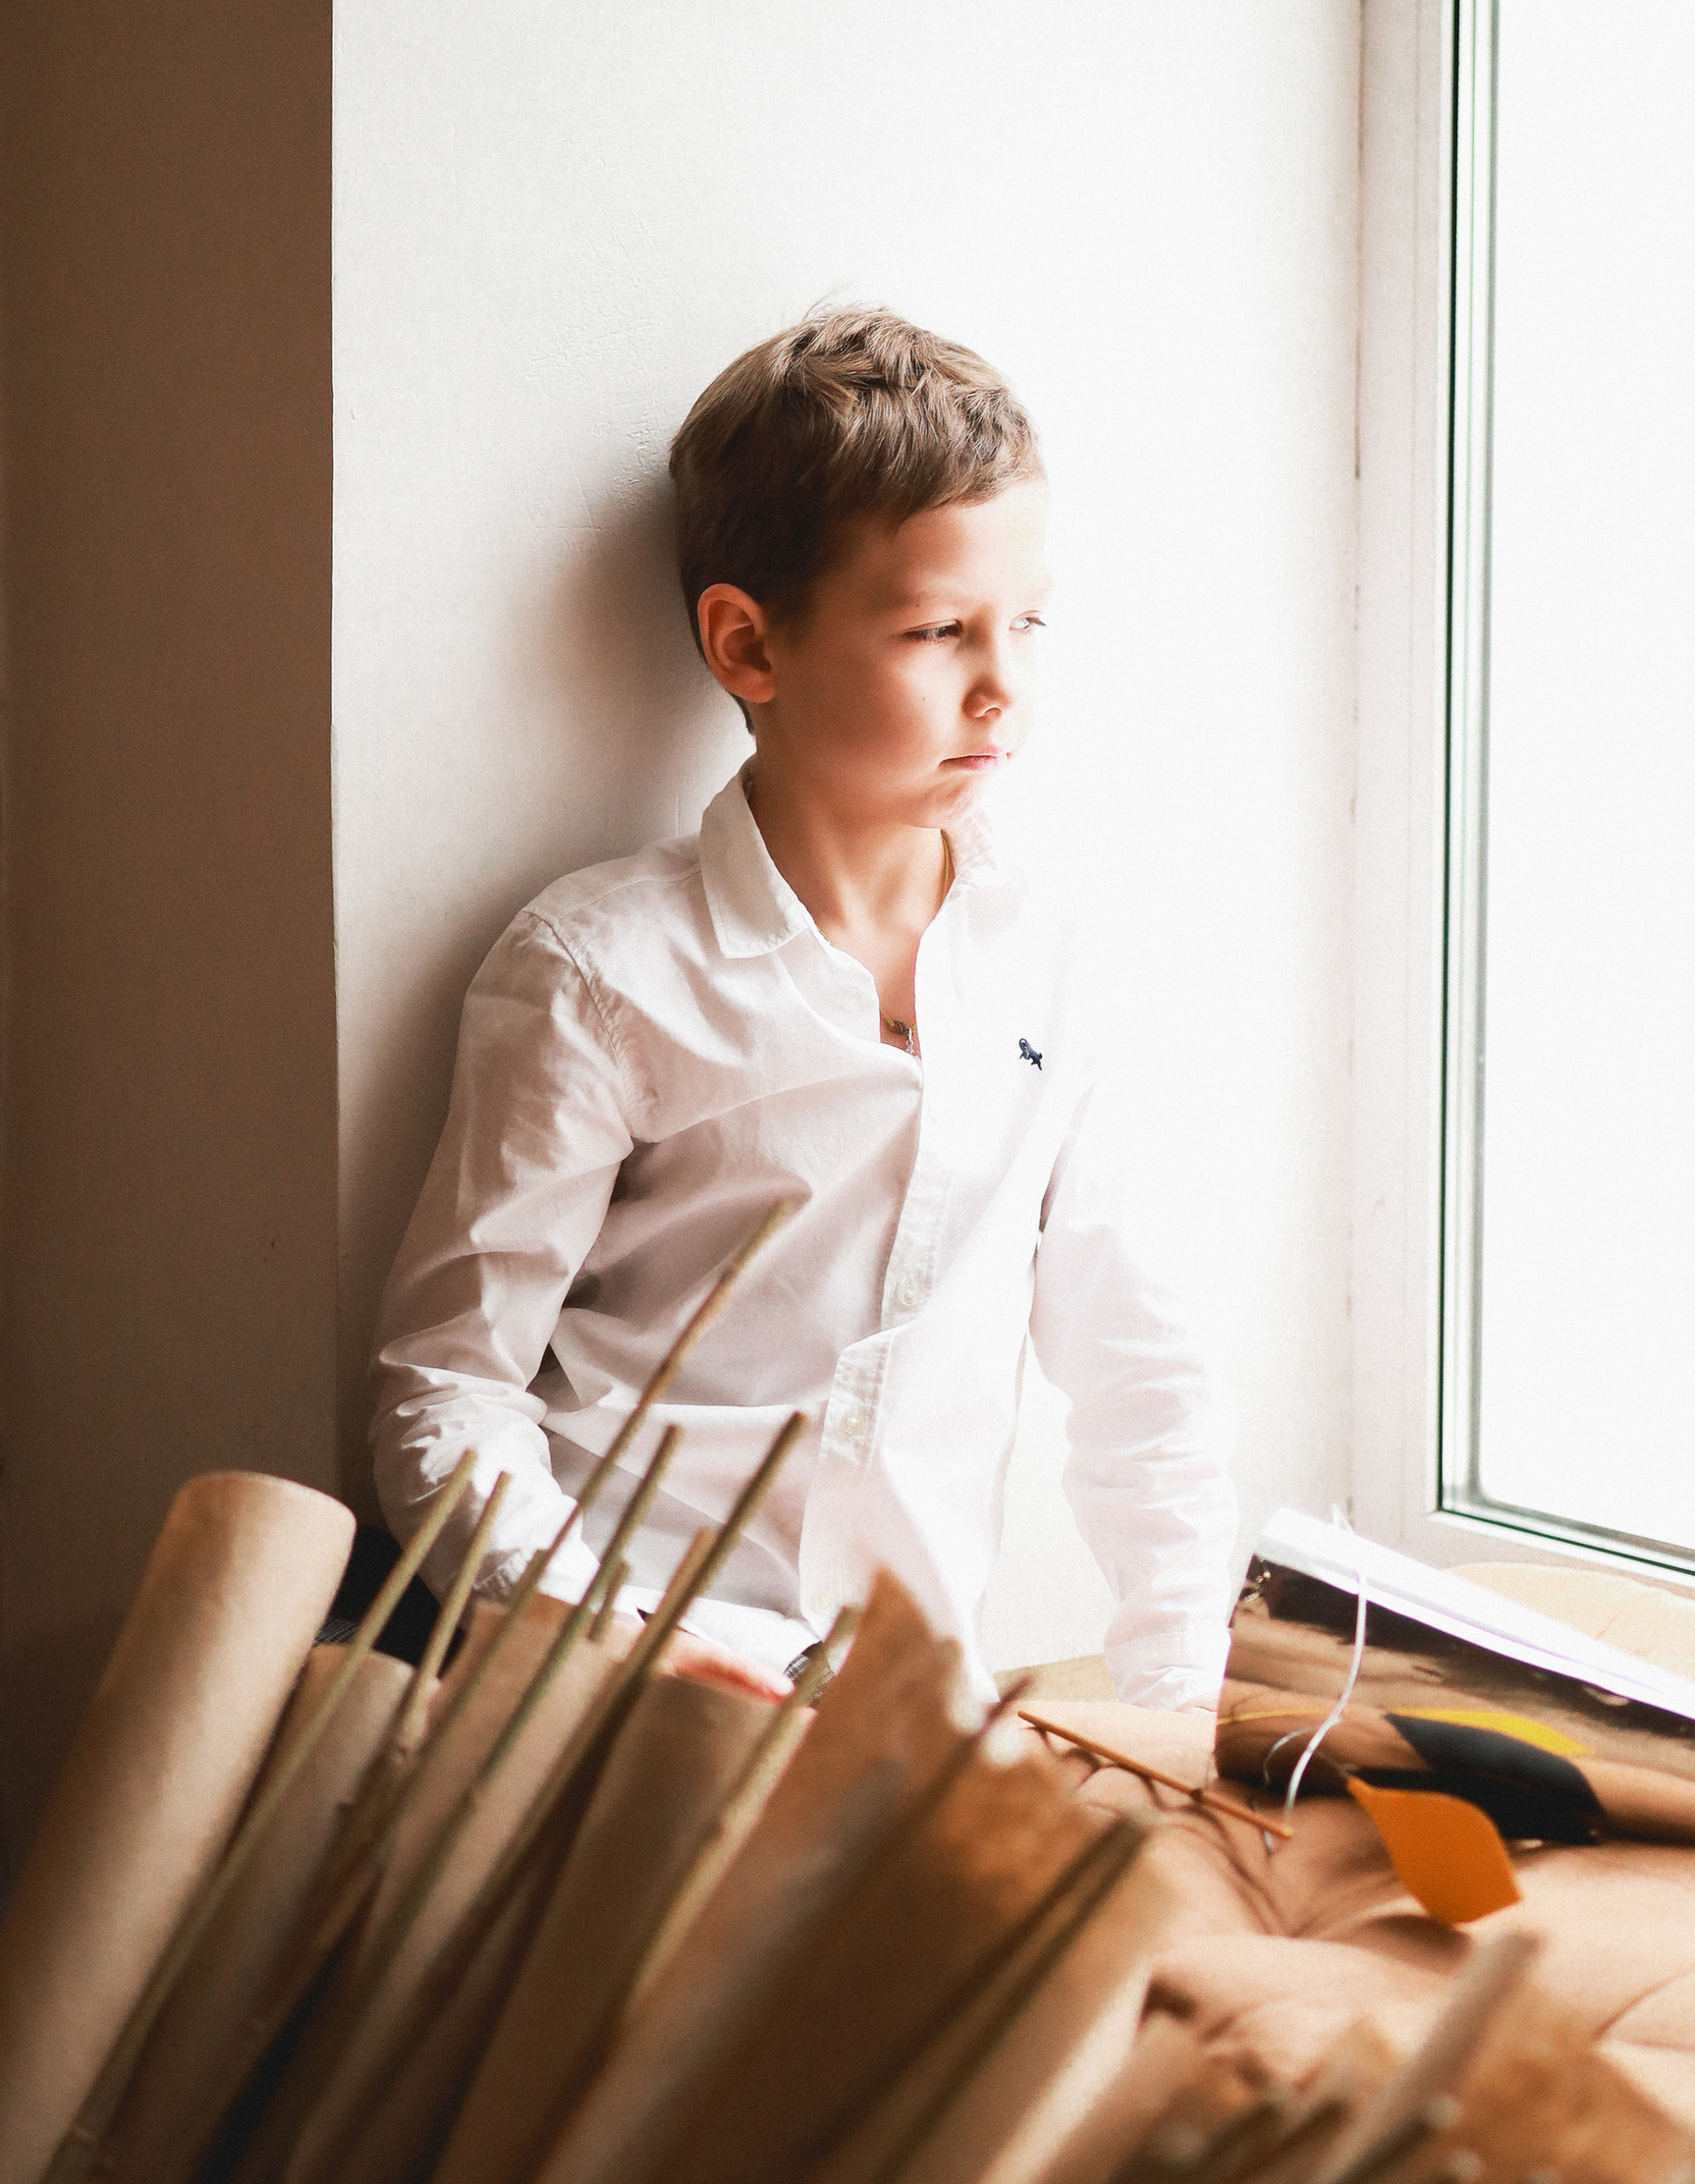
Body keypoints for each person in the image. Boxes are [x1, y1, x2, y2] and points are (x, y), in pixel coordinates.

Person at [368, 304, 1239, 1704]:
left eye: (1027, 622)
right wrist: (615, 1644)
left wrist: (1177, 1690)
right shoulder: (597, 975)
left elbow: (1141, 1367)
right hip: (618, 1688)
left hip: (897, 1708)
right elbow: (448, 1387)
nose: (1004, 685)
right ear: (747, 648)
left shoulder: (1057, 963)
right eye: (938, 630)